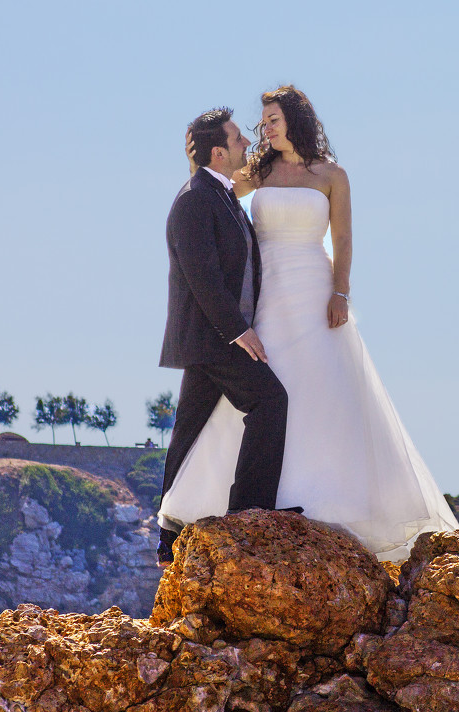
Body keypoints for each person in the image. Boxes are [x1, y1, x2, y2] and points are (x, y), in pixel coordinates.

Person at [157, 86, 458, 562]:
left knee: (322, 391)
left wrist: (341, 293)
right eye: (260, 124)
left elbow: (343, 238)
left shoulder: (333, 176)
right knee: (264, 395)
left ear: (295, 119)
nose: (265, 130)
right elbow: (211, 202)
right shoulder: (257, 171)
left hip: (315, 291)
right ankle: (227, 508)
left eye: (272, 120)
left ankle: (317, 500)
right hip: (266, 299)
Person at [156, 107, 295, 566]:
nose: (246, 146)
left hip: (215, 337)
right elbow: (203, 278)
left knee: (190, 432)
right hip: (213, 337)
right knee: (270, 400)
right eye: (238, 141)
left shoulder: (222, 196)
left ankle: (167, 538)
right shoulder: (196, 198)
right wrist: (239, 331)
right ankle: (249, 513)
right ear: (219, 151)